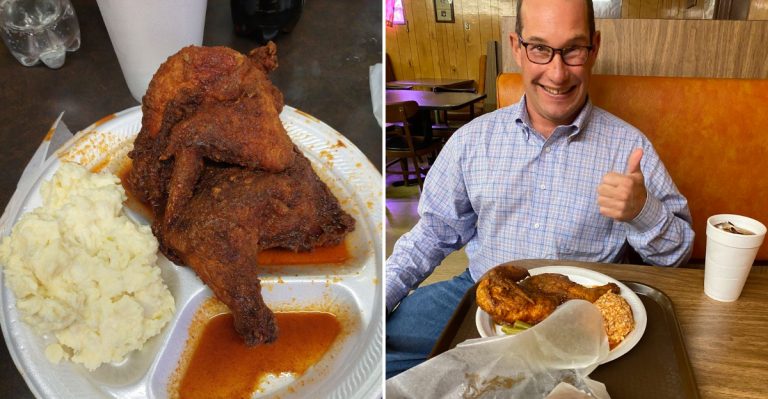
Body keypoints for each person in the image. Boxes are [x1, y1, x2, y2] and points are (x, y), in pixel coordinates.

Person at [385, 0, 694, 379]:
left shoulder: (630, 147)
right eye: (540, 48)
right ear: (517, 47)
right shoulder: (471, 141)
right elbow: (432, 234)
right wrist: (381, 296)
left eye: (573, 49)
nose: (558, 72)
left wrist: (642, 211)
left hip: (580, 312)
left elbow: (678, 254)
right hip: (482, 291)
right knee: (376, 345)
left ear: (594, 47)